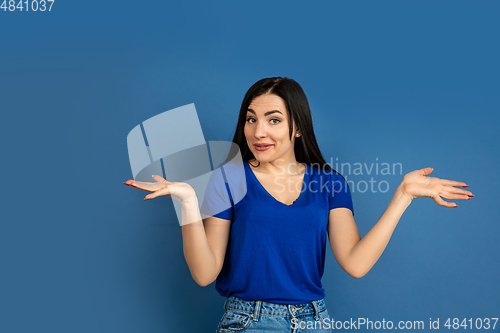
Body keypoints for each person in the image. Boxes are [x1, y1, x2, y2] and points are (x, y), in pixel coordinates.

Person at [123, 77, 473, 332]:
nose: (259, 131)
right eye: (251, 118)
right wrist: (187, 202)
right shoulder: (228, 179)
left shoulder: (329, 183)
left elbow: (355, 262)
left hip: (314, 322)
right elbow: (204, 274)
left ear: (297, 128)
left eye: (273, 120)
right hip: (247, 323)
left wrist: (403, 196)